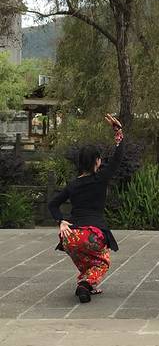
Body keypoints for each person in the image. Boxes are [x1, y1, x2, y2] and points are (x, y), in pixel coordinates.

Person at [47, 114, 125, 303]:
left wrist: (60, 220)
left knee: (85, 258)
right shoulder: (101, 178)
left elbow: (52, 204)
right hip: (92, 234)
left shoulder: (73, 184)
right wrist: (118, 131)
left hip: (70, 236)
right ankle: (86, 284)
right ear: (97, 161)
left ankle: (87, 283)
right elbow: (117, 159)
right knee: (103, 261)